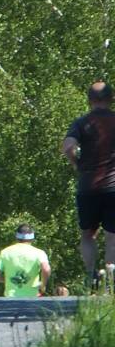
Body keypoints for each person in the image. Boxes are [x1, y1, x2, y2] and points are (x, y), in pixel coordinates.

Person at [62, 81, 115, 291]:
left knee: (88, 234)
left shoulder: (82, 122)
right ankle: (110, 279)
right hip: (113, 187)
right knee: (112, 236)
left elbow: (68, 147)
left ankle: (91, 275)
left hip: (88, 186)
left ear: (89, 100)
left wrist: (77, 164)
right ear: (111, 99)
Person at [0, 224, 51, 298]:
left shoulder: (5, 252)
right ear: (32, 238)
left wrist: (10, 280)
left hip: (11, 298)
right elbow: (46, 269)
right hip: (32, 298)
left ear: (16, 237)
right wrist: (43, 285)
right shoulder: (39, 253)